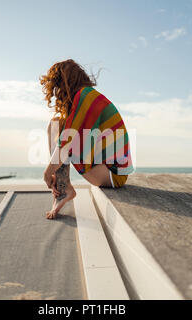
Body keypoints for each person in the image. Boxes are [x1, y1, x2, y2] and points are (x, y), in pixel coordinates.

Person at [40, 59, 133, 219]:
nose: (57, 93)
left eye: (57, 86)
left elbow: (68, 141)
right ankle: (64, 188)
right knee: (57, 123)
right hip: (108, 168)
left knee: (60, 130)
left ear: (65, 82)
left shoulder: (84, 96)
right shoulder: (87, 96)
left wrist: (48, 172)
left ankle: (64, 190)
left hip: (112, 174)